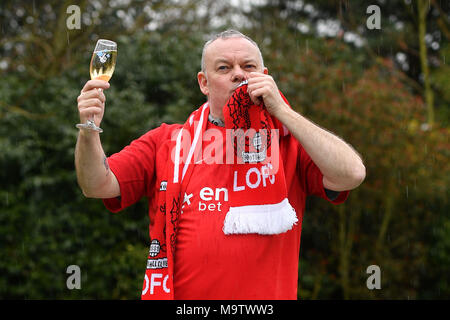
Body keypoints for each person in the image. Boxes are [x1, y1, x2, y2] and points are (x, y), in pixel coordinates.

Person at [75, 30, 366, 300]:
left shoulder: (288, 141)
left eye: (249, 67)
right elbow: (96, 184)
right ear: (204, 82)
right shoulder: (166, 140)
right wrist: (88, 128)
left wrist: (282, 111)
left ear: (265, 76)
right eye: (224, 68)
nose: (239, 75)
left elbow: (351, 173)